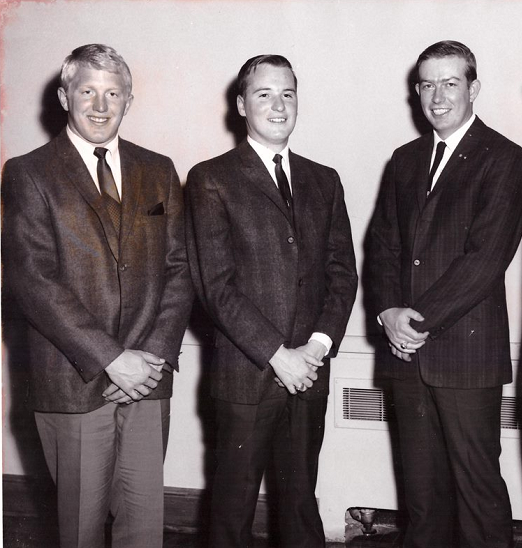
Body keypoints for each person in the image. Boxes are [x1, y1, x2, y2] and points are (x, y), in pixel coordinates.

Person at [1, 44, 193, 548]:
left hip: (148, 381)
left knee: (145, 529)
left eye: (113, 93)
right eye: (87, 90)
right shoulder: (28, 172)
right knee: (81, 533)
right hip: (74, 381)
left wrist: (150, 356)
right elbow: (33, 281)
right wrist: (111, 359)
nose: (100, 105)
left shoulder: (159, 168)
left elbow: (180, 269)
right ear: (65, 95)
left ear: (129, 100)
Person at [185, 54, 358, 548]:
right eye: (264, 94)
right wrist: (279, 355)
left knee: (301, 505)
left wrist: (317, 348)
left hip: (309, 372)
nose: (278, 105)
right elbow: (215, 286)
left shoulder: (324, 179)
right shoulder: (210, 178)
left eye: (288, 93)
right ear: (241, 105)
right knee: (231, 511)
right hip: (247, 376)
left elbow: (342, 274)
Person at [368, 40, 522, 548]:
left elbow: (484, 260)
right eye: (427, 84)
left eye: (450, 83)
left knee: (477, 491)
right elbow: (381, 247)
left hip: (465, 357)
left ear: (473, 88)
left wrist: (413, 322)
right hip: (405, 358)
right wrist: (386, 312)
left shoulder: (504, 158)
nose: (437, 96)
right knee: (421, 499)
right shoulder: (404, 159)